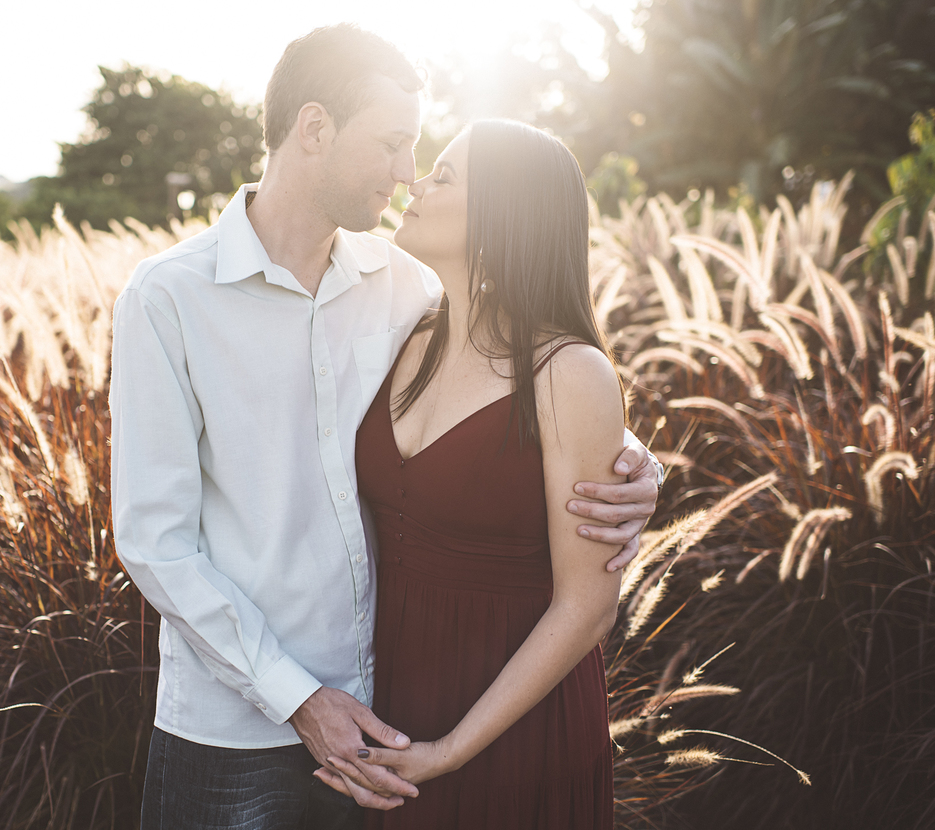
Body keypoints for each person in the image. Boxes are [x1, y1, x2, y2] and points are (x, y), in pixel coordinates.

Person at [109, 25, 661, 830]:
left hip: (380, 720)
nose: (409, 175)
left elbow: (531, 380)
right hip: (230, 730)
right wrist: (300, 701)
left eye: (428, 160)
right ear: (315, 128)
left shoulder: (404, 286)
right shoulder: (169, 298)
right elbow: (154, 540)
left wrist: (630, 463)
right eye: (396, 144)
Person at [315, 121, 623, 828]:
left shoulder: (570, 372)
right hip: (393, 706)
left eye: (445, 177)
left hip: (515, 726)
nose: (415, 184)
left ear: (505, 213)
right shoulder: (407, 337)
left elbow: (589, 606)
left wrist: (452, 750)